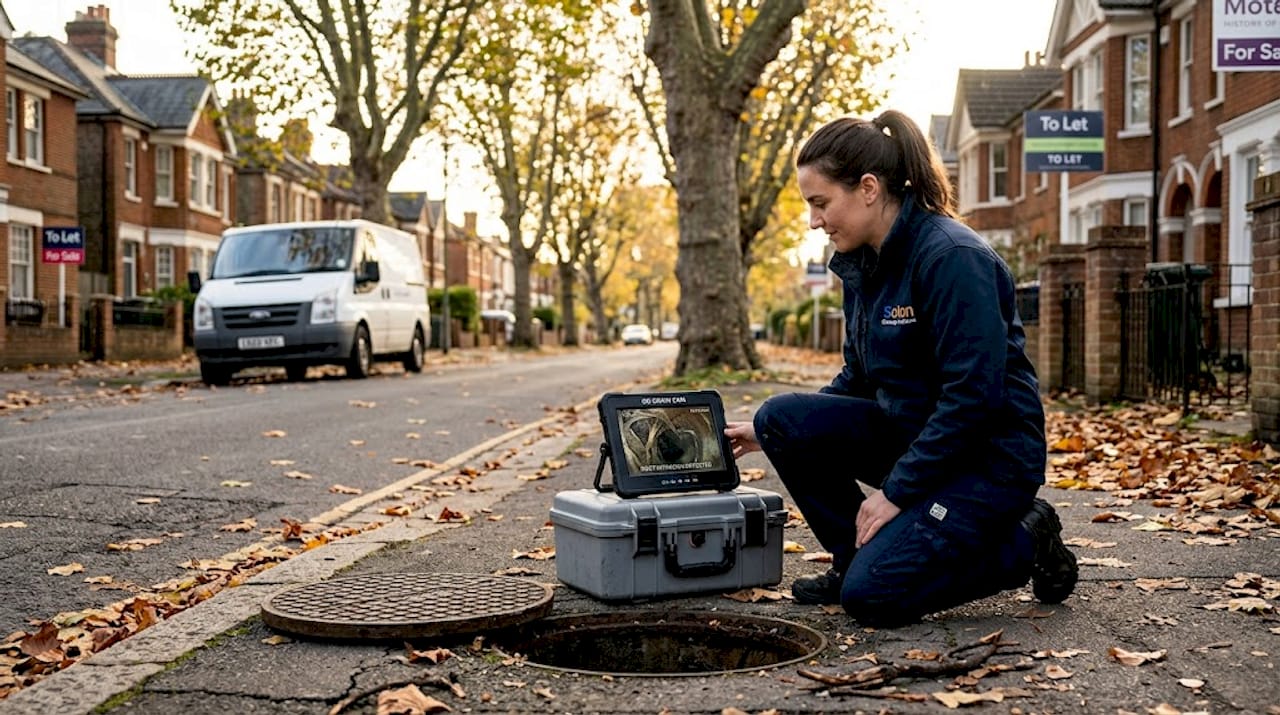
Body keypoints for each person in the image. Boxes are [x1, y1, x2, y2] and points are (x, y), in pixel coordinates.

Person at [724, 110, 1078, 627]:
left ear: (868, 188)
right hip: (912, 439)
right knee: (779, 417)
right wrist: (773, 431)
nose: (813, 221)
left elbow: (973, 400)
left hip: (987, 463)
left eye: (820, 203)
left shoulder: (953, 258)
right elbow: (859, 380)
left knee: (875, 598)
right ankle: (853, 559)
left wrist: (895, 493)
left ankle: (1028, 538)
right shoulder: (863, 264)